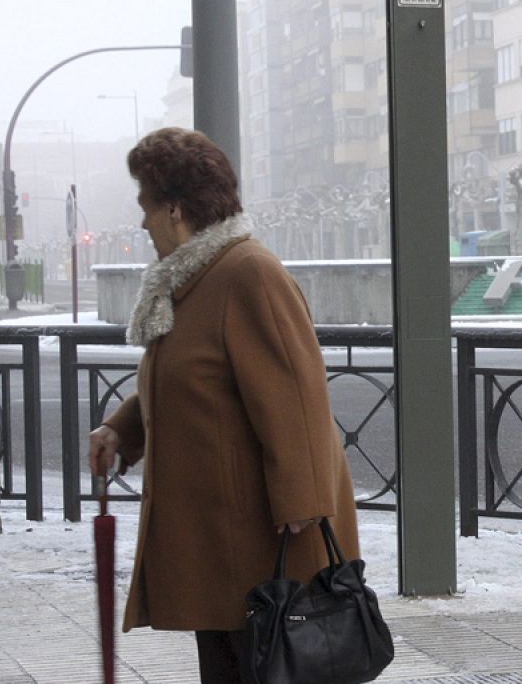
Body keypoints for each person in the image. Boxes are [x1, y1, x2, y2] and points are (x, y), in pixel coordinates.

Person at [87, 127, 359, 684]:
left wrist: (305, 506)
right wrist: (122, 430)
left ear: (175, 209)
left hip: (264, 546)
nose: (141, 223)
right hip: (224, 546)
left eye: (146, 205)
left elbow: (297, 393)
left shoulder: (248, 273)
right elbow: (194, 378)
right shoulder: (196, 281)